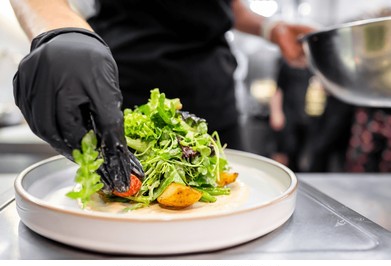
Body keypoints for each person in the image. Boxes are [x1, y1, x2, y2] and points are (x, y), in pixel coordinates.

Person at [10, 0, 313, 193]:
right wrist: (60, 32)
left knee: (233, 215)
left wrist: (271, 28)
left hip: (212, 93)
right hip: (118, 92)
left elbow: (227, 8)